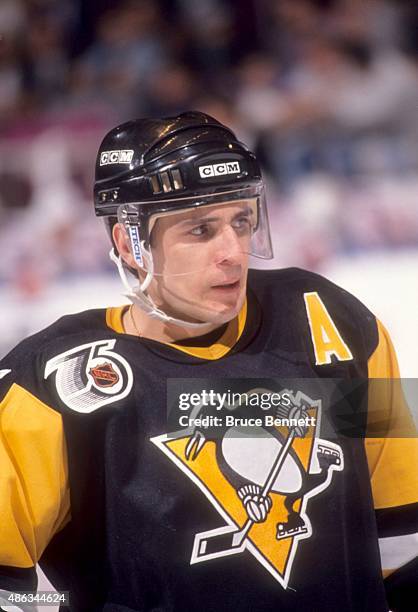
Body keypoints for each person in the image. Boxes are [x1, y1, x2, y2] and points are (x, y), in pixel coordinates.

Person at [0, 111, 417, 612]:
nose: (233, 252)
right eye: (200, 230)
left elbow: (404, 525)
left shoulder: (333, 322)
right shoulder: (51, 383)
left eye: (241, 222)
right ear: (129, 244)